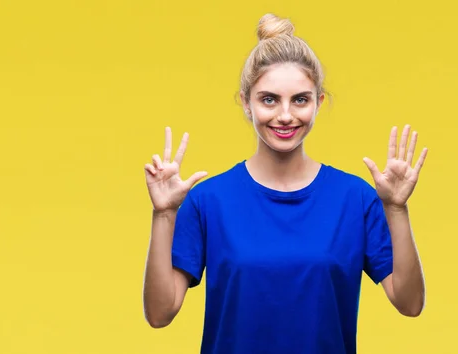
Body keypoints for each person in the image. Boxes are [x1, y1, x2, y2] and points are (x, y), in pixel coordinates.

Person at [142, 13, 427, 354]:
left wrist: (396, 208)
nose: (286, 115)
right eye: (269, 99)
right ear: (245, 103)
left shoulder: (355, 198)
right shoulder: (209, 200)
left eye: (300, 100)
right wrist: (163, 215)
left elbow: (409, 304)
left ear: (319, 103)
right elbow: (159, 313)